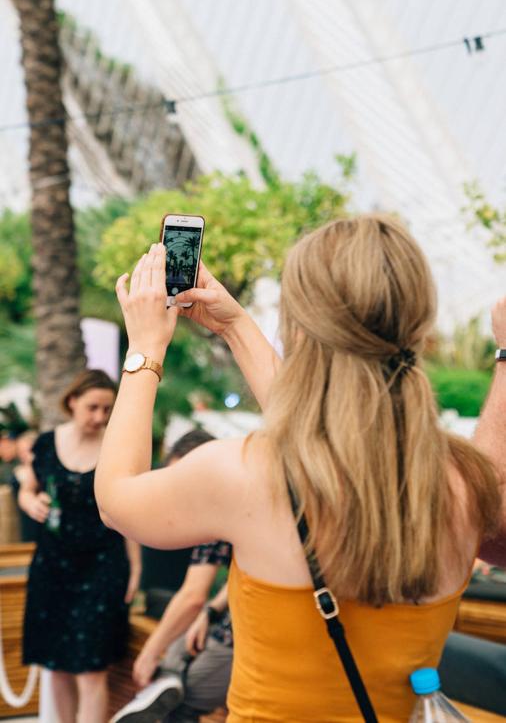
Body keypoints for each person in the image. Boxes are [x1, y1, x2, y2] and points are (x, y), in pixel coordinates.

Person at [96, 218, 506, 722]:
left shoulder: (246, 473)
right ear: (419, 325)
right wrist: (233, 324)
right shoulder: (465, 483)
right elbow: (327, 432)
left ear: (295, 325)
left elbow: (117, 499)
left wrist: (145, 348)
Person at [19, 369, 141, 723]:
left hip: (103, 566)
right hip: (52, 566)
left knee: (92, 668)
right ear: (72, 402)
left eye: (107, 409)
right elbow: (28, 488)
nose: (99, 417)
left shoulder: (118, 447)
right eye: (92, 407)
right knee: (55, 666)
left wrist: (135, 569)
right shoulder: (44, 444)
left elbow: (130, 511)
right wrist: (29, 501)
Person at [112, 430, 233, 723]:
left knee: (180, 703)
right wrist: (212, 611)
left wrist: (150, 651)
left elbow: (193, 595)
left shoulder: (220, 505)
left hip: (253, 632)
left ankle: (165, 687)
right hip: (237, 615)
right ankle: (166, 681)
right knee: (180, 650)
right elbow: (249, 571)